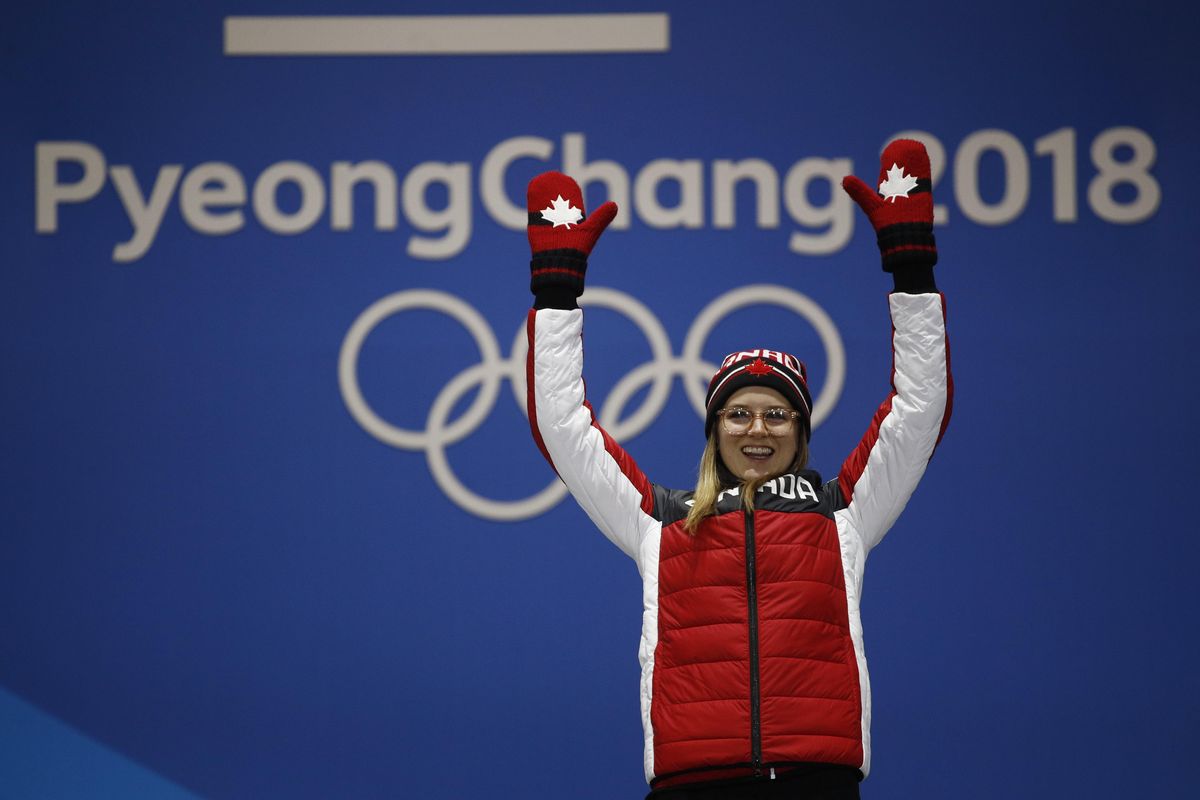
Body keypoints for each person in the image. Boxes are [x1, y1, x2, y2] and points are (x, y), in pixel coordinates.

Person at [523, 140, 953, 799]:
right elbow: (561, 426)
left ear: (801, 431)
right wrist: (557, 294)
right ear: (715, 430)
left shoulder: (843, 512)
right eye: (739, 415)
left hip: (817, 781)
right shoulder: (659, 522)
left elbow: (920, 407)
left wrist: (913, 271)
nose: (758, 429)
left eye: (778, 415)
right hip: (692, 784)